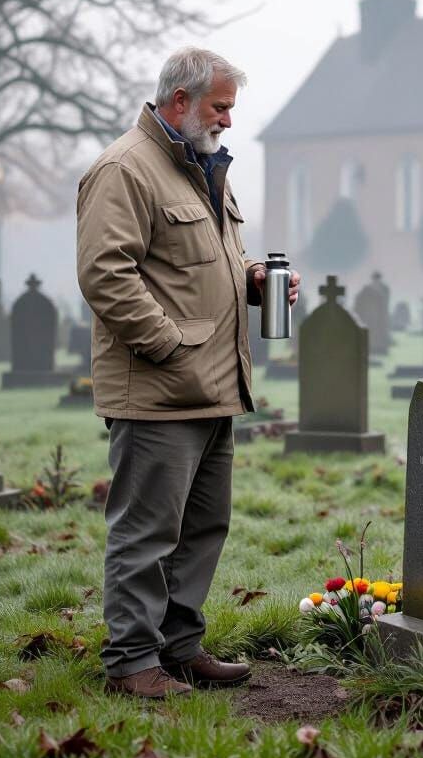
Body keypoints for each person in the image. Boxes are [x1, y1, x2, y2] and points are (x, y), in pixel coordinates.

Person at [77, 47, 300, 699]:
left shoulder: (203, 168)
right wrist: (169, 346)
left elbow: (203, 263)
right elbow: (105, 274)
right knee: (147, 533)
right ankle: (132, 663)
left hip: (215, 388)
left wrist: (254, 278)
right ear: (180, 101)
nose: (229, 120)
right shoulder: (125, 169)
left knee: (202, 528)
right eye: (220, 107)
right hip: (158, 390)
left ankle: (178, 648)